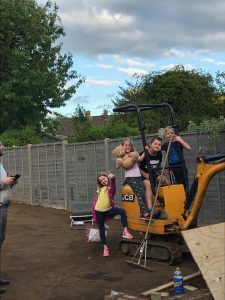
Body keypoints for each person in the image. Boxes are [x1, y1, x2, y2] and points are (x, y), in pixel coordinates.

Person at [92, 172, 133, 257]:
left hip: (108, 210)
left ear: (107, 177)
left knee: (122, 212)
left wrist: (113, 177)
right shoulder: (100, 189)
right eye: (101, 180)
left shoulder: (110, 187)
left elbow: (113, 185)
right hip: (98, 211)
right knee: (101, 228)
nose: (103, 181)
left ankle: (125, 231)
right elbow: (98, 199)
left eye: (104, 178)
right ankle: (105, 248)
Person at [118, 138, 151, 218]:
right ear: (123, 147)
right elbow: (120, 165)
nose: (128, 146)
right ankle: (144, 212)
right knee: (139, 193)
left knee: (142, 192)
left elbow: (140, 159)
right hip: (130, 177)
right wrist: (125, 159)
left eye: (129, 145)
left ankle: (142, 211)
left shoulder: (134, 153)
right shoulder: (123, 155)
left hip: (138, 176)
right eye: (126, 145)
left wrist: (145, 151)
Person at [0, 141, 16, 295]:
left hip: (3, 206)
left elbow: (3, 186)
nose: (3, 147)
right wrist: (2, 181)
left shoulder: (0, 165)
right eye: (0, 145)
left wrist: (10, 182)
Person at [139, 136, 169, 209]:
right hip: (142, 175)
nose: (157, 146)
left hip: (153, 174)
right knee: (148, 184)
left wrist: (162, 175)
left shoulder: (159, 154)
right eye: (155, 144)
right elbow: (136, 167)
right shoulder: (144, 154)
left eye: (159, 145)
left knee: (164, 180)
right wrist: (145, 174)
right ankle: (150, 208)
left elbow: (158, 165)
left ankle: (163, 201)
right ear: (150, 144)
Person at [161, 127, 191, 191]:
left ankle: (186, 197)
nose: (170, 135)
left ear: (175, 134)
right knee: (175, 184)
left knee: (185, 185)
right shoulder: (166, 145)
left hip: (181, 167)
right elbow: (157, 149)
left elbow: (189, 148)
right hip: (172, 169)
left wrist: (180, 140)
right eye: (168, 134)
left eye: (172, 133)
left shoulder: (179, 142)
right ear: (165, 136)